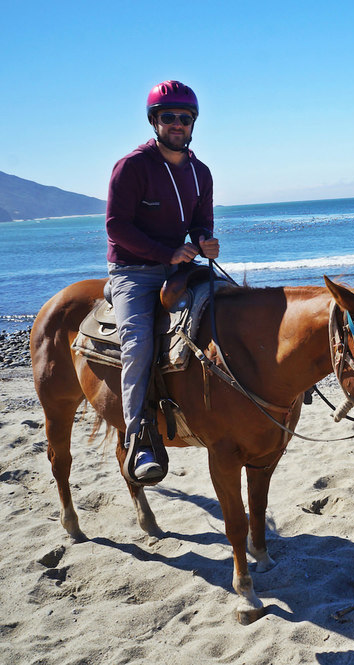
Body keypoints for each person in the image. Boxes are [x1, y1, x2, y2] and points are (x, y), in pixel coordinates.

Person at [105, 80, 219, 484]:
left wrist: (203, 239)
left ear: (193, 124)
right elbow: (116, 226)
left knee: (232, 308)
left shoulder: (199, 172)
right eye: (168, 117)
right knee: (137, 344)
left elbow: (199, 220)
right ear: (154, 121)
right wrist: (164, 253)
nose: (177, 124)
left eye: (184, 118)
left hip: (178, 267)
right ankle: (139, 440)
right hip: (134, 272)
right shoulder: (132, 167)